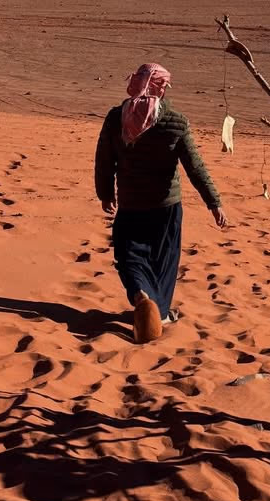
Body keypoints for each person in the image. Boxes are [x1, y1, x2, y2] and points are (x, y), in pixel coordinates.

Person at [94, 62, 226, 342]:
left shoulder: (116, 117)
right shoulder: (175, 121)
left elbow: (104, 159)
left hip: (130, 204)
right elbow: (195, 166)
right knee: (164, 261)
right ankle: (161, 312)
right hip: (166, 207)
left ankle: (141, 294)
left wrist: (105, 193)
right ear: (160, 87)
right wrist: (213, 202)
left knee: (129, 256)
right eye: (164, 85)